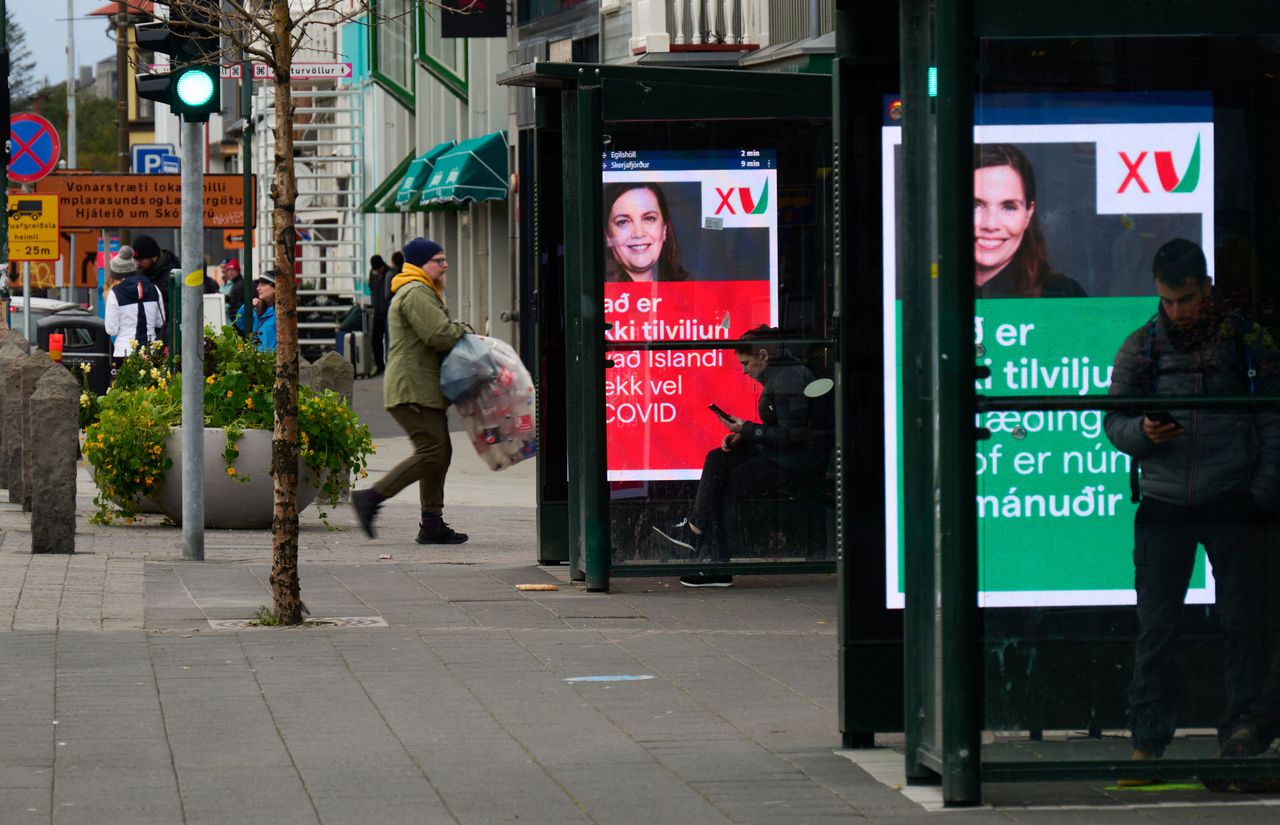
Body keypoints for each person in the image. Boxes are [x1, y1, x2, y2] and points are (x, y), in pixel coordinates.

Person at [1103, 238, 1280, 781]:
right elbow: (1114, 423)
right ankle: (1147, 744)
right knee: (1157, 628)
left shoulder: (1249, 343)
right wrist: (1144, 433)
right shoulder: (1142, 347)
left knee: (1244, 626)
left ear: (1206, 287)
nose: (1179, 310)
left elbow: (1275, 425)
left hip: (1233, 501)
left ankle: (1240, 742)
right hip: (1165, 501)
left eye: (1187, 299)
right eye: (1169, 300)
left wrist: (1261, 496)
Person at [653, 326, 826, 587]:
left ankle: (715, 563)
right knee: (717, 457)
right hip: (777, 452)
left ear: (764, 356)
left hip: (791, 461)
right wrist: (744, 435)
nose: (744, 370)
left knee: (726, 487)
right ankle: (696, 531)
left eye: (746, 363)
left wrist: (747, 429)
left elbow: (792, 435)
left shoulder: (789, 378)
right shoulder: (780, 375)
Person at [350, 238, 469, 545]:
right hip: (412, 388)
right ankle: (371, 498)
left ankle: (432, 522)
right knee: (432, 452)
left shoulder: (423, 290)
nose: (444, 265)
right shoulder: (416, 291)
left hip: (423, 388)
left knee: (439, 453)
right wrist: (466, 331)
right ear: (420, 263)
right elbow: (438, 335)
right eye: (438, 260)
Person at [974, 144, 1086, 298]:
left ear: (1028, 213)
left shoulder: (1062, 297)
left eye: (1009, 207)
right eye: (976, 205)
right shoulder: (932, 294)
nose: (990, 224)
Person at [603, 182, 689, 282]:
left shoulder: (687, 291)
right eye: (623, 222)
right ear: (608, 235)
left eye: (649, 219)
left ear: (664, 229)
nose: (639, 234)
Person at [103, 245, 165, 359]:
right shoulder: (154, 289)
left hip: (124, 351)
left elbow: (111, 329)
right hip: (150, 351)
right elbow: (160, 322)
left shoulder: (115, 293)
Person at [131, 234, 180, 341]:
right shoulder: (142, 273)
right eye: (135, 260)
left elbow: (174, 309)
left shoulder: (173, 274)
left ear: (153, 256)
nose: (138, 264)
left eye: (141, 260)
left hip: (168, 335)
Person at [234, 271, 277, 351]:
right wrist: (246, 307)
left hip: (270, 361)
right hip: (255, 360)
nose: (258, 288)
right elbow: (239, 325)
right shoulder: (256, 310)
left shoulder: (280, 314)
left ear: (274, 288)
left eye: (262, 285)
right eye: (258, 285)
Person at [369, 254, 392, 375]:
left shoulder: (390, 273)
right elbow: (372, 289)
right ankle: (379, 366)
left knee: (390, 340)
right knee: (376, 339)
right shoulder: (372, 274)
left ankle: (390, 366)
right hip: (378, 311)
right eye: (375, 270)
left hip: (389, 312)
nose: (377, 272)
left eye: (378, 270)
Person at [221, 259, 246, 324]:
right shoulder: (236, 284)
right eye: (228, 270)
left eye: (233, 270)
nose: (230, 272)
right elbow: (235, 302)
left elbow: (238, 304)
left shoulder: (239, 284)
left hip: (238, 320)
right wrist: (228, 299)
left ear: (238, 271)